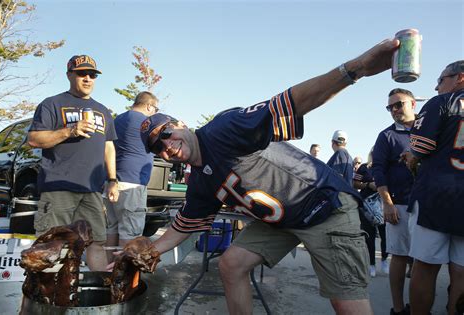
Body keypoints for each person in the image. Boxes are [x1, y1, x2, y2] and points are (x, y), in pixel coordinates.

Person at [123, 37, 400, 315]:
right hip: (283, 221)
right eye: (157, 147)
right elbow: (185, 226)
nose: (166, 146)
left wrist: (356, 68)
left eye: (166, 134)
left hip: (324, 207)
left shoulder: (223, 130)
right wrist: (142, 254)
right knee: (231, 265)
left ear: (180, 125)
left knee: (346, 302)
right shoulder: (199, 180)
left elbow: (291, 103)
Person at [28, 55, 119, 271]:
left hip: (92, 190)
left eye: (92, 75)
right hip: (58, 186)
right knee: (52, 245)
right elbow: (33, 139)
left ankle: (100, 295)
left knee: (97, 242)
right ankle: (46, 301)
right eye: (82, 73)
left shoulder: (103, 110)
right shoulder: (52, 104)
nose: (88, 78)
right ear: (69, 74)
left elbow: (108, 147)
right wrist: (70, 131)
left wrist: (113, 179)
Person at [402, 60, 464, 315]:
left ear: (459, 77)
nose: (437, 86)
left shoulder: (443, 102)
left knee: (425, 266)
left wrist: (412, 157)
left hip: (437, 195)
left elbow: (421, 147)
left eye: (441, 80)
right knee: (461, 270)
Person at [371, 88, 416, 315]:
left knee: (424, 259)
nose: (394, 110)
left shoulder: (429, 130)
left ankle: (419, 307)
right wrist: (387, 203)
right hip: (399, 204)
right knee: (400, 255)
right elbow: (378, 171)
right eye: (391, 107)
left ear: (413, 104)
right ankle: (398, 309)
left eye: (399, 104)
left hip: (429, 203)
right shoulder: (386, 136)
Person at [104, 92, 159, 259]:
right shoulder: (146, 122)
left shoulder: (117, 119)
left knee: (111, 228)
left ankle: (108, 272)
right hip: (132, 183)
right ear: (149, 106)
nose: (155, 112)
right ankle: (123, 278)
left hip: (111, 182)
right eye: (155, 109)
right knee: (130, 232)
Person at [353, 147, 388, 278]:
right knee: (370, 236)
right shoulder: (364, 167)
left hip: (383, 204)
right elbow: (355, 183)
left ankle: (385, 260)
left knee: (385, 234)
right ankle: (371, 264)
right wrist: (368, 185)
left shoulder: (386, 166)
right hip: (367, 205)